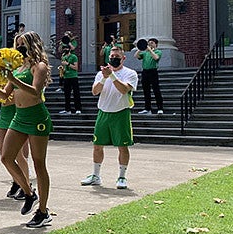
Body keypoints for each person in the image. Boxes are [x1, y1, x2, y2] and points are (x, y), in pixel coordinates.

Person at [0, 31, 53, 228]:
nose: (19, 49)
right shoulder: (17, 68)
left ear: (32, 45)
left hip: (36, 117)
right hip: (19, 117)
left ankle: (43, 211)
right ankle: (28, 192)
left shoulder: (39, 66)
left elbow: (35, 91)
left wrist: (13, 79)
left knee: (39, 163)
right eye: (17, 45)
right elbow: (5, 94)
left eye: (22, 45)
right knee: (6, 157)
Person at [81, 45, 138, 190]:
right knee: (97, 146)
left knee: (122, 146)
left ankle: (122, 177)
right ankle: (95, 175)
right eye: (112, 57)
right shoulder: (101, 74)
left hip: (121, 113)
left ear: (123, 58)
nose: (114, 59)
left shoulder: (130, 73)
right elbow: (95, 91)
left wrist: (111, 76)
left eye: (117, 57)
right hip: (103, 112)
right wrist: (104, 78)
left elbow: (124, 89)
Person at [0, 91, 31, 201]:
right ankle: (16, 182)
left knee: (18, 155)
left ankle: (27, 185)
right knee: (4, 155)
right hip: (4, 113)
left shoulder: (17, 76)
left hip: (16, 111)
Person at [136, 38, 164, 115]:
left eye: (152, 43)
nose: (150, 44)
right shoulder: (145, 53)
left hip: (153, 72)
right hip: (145, 72)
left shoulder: (158, 51)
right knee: (146, 91)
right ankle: (147, 109)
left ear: (156, 44)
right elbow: (136, 56)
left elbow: (156, 58)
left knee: (156, 90)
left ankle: (160, 108)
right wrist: (140, 48)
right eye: (149, 43)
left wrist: (150, 50)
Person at [58, 45, 82, 115]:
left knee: (76, 93)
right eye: (64, 48)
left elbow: (76, 68)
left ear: (69, 49)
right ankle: (67, 109)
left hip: (73, 77)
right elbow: (64, 67)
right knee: (66, 94)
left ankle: (78, 109)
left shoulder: (74, 57)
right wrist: (62, 69)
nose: (65, 49)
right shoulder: (64, 57)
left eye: (66, 48)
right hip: (66, 77)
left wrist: (67, 64)